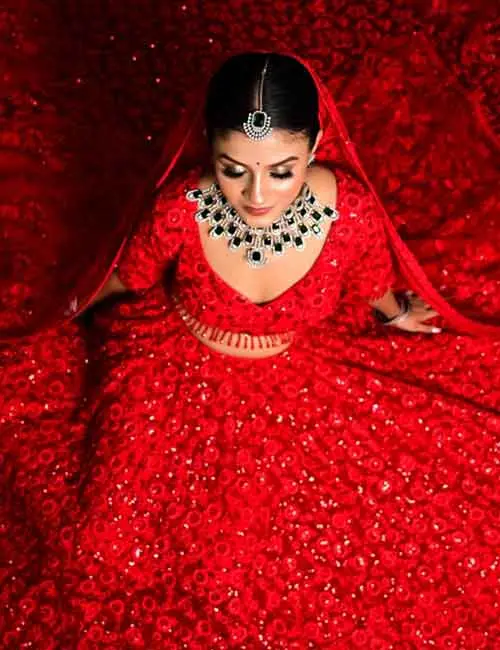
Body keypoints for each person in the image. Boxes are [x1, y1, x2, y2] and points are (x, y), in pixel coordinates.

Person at [2, 52, 499, 649]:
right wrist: (56, 311)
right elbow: (126, 278)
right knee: (100, 547)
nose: (256, 195)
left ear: (315, 145)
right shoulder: (180, 210)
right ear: (208, 149)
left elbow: (368, 283)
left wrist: (397, 314)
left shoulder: (352, 214)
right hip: (170, 378)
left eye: (282, 171)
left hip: (298, 383)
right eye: (232, 169)